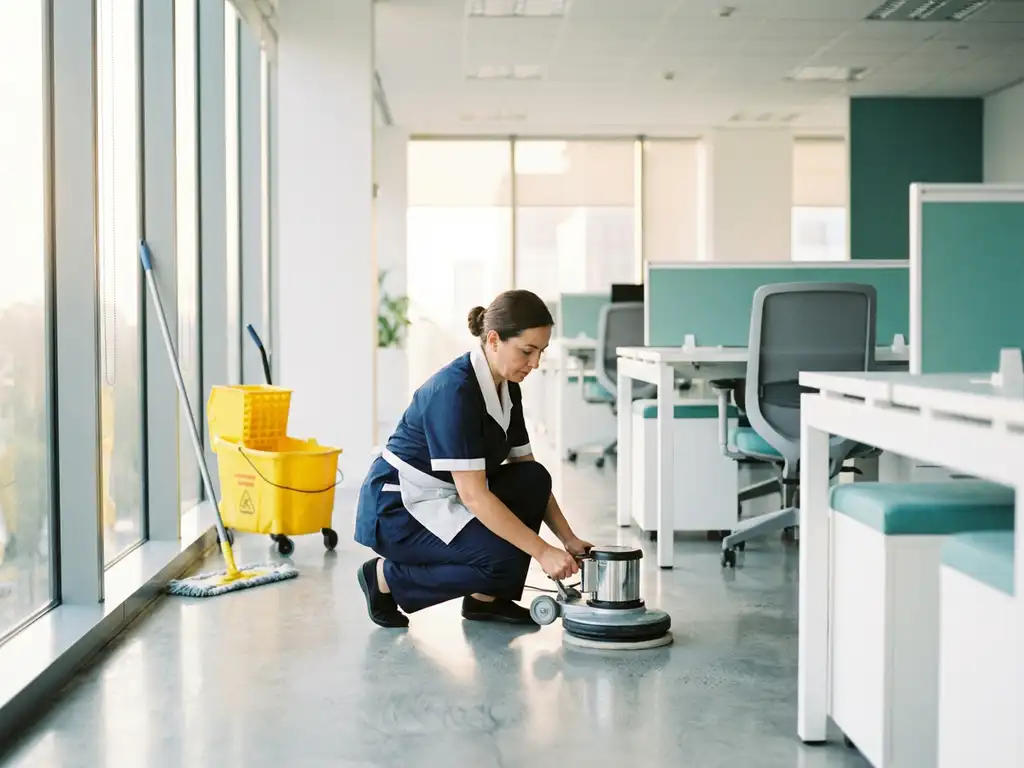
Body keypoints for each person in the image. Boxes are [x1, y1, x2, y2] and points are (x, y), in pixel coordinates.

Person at [354, 290, 592, 628]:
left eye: (541, 352)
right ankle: (384, 578)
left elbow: (526, 470)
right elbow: (474, 496)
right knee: (503, 557)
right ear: (493, 340)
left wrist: (567, 539)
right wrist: (542, 551)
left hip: (446, 494)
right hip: (398, 509)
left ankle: (486, 600)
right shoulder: (455, 392)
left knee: (534, 478)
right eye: (527, 351)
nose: (535, 363)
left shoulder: (507, 386)